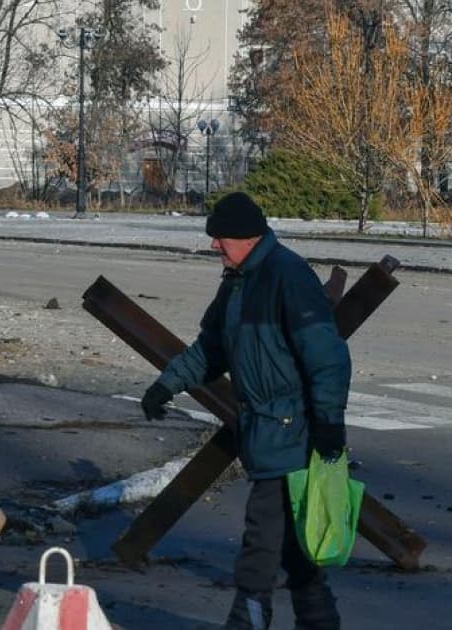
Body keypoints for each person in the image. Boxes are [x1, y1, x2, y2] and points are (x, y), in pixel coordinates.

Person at [140, 191, 349, 630]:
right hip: (265, 429)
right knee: (295, 548)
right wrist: (166, 385)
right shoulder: (237, 282)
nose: (214, 246)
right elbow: (211, 347)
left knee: (261, 543)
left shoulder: (287, 277)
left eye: (220, 239)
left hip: (291, 430)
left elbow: (327, 358)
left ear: (247, 237)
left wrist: (329, 423)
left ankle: (246, 621)